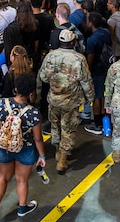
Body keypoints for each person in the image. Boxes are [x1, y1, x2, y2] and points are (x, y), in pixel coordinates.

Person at [0, 74, 46, 221]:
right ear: (32, 93)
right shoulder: (34, 113)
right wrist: (42, 156)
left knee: (3, 177)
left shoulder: (1, 104)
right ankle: (22, 208)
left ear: (15, 89)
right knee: (21, 179)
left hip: (4, 148)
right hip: (25, 150)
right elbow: (38, 138)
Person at [38, 29, 94, 174]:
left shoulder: (51, 56)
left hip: (54, 99)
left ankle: (57, 150)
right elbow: (86, 81)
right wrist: (90, 97)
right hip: (71, 101)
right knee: (68, 129)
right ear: (73, 42)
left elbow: (43, 77)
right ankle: (63, 160)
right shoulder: (79, 59)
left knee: (55, 126)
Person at [83, 12, 112, 135]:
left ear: (91, 23)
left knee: (96, 97)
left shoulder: (91, 40)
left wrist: (86, 70)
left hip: (96, 70)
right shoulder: (105, 32)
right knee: (103, 95)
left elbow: (90, 58)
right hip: (106, 68)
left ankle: (97, 124)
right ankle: (105, 118)